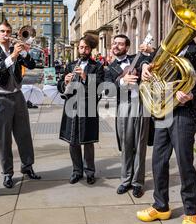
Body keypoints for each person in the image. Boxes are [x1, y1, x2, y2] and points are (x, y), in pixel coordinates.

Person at [137, 40, 196, 224]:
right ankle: (161, 206)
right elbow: (148, 64)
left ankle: (191, 211)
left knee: (184, 163)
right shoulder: (166, 47)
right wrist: (145, 67)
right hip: (163, 110)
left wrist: (192, 96)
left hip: (184, 113)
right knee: (158, 161)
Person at [0, 20, 41, 189]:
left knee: (24, 133)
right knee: (4, 138)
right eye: (2, 31)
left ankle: (27, 166)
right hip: (1, 97)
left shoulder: (15, 49)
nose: (6, 33)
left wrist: (24, 53)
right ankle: (7, 173)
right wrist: (13, 56)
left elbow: (31, 65)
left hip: (17, 95)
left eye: (8, 30)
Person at [105, 34, 152, 198]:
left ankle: (137, 183)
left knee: (140, 145)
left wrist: (146, 64)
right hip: (123, 106)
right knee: (126, 145)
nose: (116, 46)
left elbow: (151, 59)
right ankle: (125, 181)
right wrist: (122, 81)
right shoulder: (110, 68)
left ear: (127, 46)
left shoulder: (137, 59)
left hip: (141, 104)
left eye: (120, 44)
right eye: (114, 43)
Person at [57, 35, 105, 185]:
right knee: (73, 141)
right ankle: (76, 171)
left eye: (86, 48)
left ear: (91, 49)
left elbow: (100, 86)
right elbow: (60, 86)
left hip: (88, 106)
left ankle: (89, 171)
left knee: (88, 141)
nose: (83, 50)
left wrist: (84, 77)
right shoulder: (70, 65)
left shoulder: (97, 66)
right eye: (81, 47)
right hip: (71, 105)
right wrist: (65, 82)